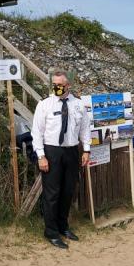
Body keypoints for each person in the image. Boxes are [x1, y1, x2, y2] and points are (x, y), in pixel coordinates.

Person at [32, 71, 91, 249]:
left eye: (60, 85)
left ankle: (63, 227)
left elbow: (85, 129)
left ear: (68, 86)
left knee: (67, 191)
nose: (57, 88)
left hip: (72, 151)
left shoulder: (78, 104)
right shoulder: (45, 105)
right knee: (52, 194)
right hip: (52, 152)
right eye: (54, 85)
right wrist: (41, 156)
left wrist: (86, 150)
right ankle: (51, 232)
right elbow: (37, 132)